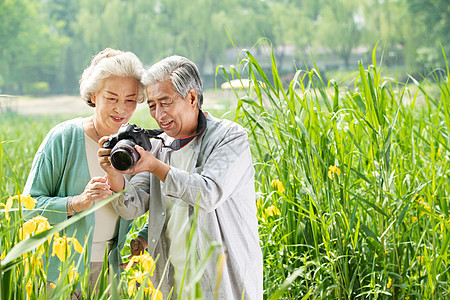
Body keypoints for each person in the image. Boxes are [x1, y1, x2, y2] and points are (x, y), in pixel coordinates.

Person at [98, 55, 263, 299]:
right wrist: (112, 171)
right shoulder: (160, 147)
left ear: (192, 98)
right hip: (172, 284)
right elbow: (132, 207)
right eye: (152, 105)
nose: (158, 114)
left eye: (165, 102)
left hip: (221, 285)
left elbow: (208, 193)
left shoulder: (229, 138)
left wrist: (156, 167)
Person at [23, 48, 146, 297]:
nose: (121, 109)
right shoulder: (63, 139)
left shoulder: (136, 147)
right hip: (61, 273)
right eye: (111, 98)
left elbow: (156, 201)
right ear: (93, 95)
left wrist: (141, 240)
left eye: (130, 100)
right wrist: (79, 202)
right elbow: (28, 208)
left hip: (111, 274)